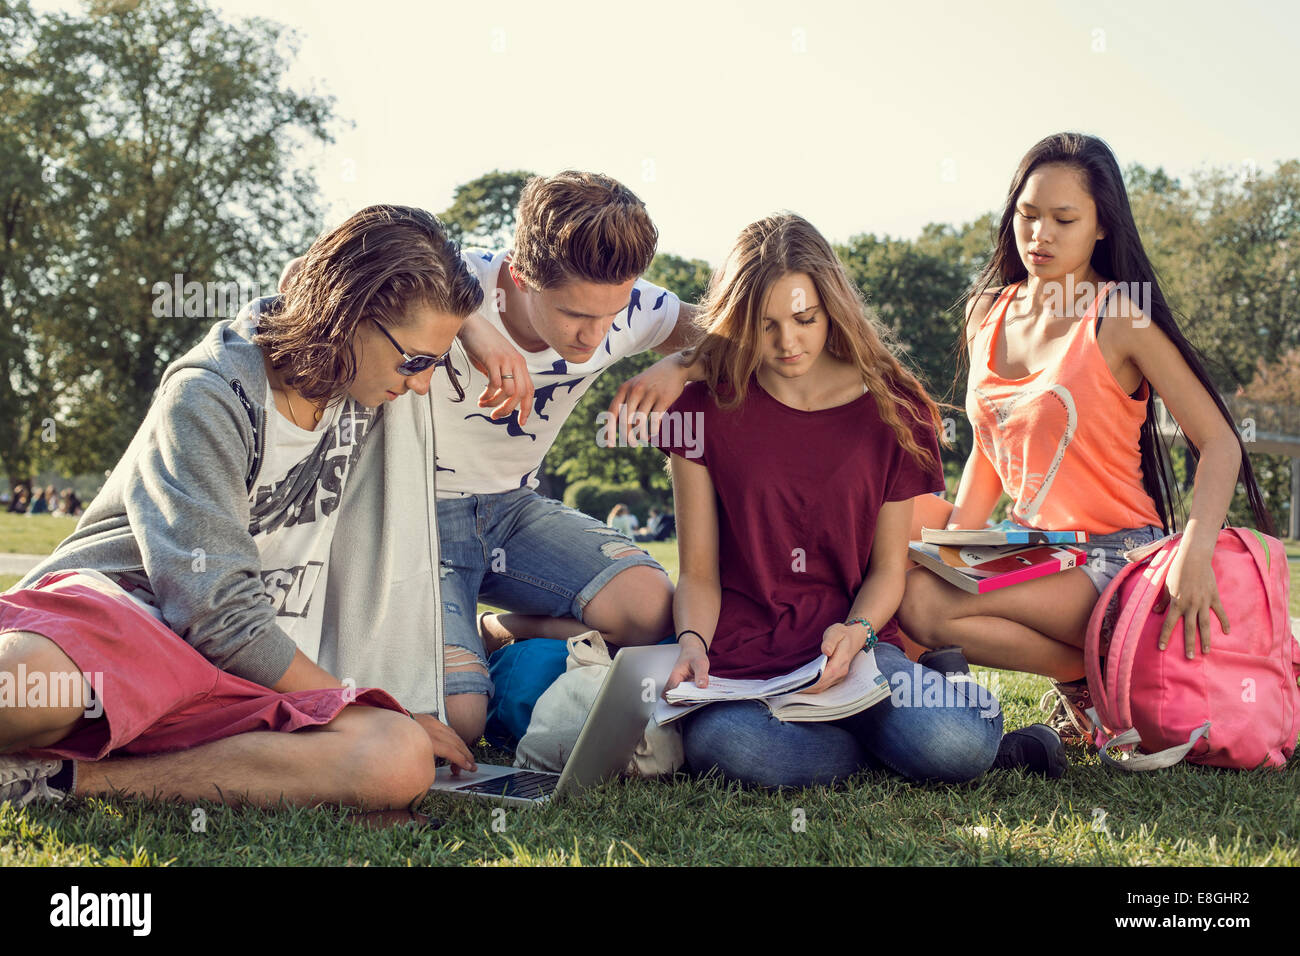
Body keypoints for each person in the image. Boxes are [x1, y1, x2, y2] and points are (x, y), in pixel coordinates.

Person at [1, 204, 483, 810]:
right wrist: (347, 696)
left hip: (246, 671)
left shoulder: (365, 387)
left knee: (395, 758)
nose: (420, 384)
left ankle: (57, 781)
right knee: (22, 693)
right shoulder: (206, 395)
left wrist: (474, 329)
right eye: (416, 361)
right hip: (134, 621)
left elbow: (359, 264)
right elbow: (218, 614)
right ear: (345, 315)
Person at [897, 133, 1274, 742]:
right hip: (1033, 549)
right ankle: (890, 695)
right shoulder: (988, 313)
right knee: (899, 529)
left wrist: (1195, 553)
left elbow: (1220, 442)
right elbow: (991, 450)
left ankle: (1086, 678)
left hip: (1115, 559)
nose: (1039, 235)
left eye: (1063, 219)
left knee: (922, 603)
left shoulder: (1120, 316)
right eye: (1027, 214)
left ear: (1101, 227)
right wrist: (951, 546)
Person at [657, 213, 1051, 789]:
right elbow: (697, 572)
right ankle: (876, 747)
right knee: (731, 747)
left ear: (830, 307)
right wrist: (692, 642)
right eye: (765, 325)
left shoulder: (894, 410)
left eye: (804, 319)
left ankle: (909, 720)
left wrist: (858, 629)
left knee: (956, 746)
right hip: (746, 660)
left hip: (854, 649)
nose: (787, 342)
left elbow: (889, 569)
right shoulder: (700, 410)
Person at [318, 171, 709, 749]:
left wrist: (683, 364)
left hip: (513, 510)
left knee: (653, 611)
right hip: (410, 519)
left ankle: (493, 633)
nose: (596, 336)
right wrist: (468, 320)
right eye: (576, 314)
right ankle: (458, 658)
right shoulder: (450, 280)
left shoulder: (628, 311)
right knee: (459, 721)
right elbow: (312, 274)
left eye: (613, 312)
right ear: (522, 276)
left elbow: (741, 331)